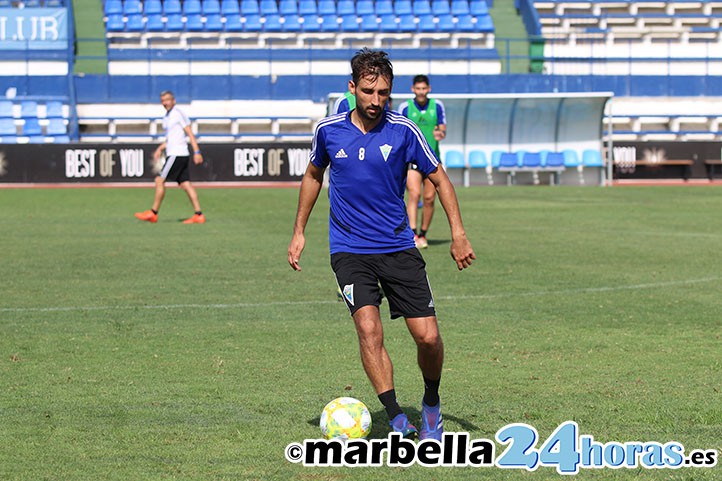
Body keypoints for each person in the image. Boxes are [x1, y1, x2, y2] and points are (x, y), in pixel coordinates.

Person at [288, 49, 475, 441]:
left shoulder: (404, 130)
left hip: (397, 247)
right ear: (352, 87)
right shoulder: (328, 130)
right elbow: (312, 176)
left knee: (427, 337)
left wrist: (458, 233)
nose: (376, 101)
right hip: (349, 250)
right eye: (369, 92)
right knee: (369, 329)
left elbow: (439, 180)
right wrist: (299, 231)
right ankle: (396, 418)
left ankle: (431, 404)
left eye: (384, 93)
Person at [134, 90, 205, 224]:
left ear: (173, 100)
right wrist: (161, 148)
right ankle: (198, 214)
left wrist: (197, 151)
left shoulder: (177, 114)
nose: (165, 103)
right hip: (177, 153)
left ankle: (153, 213)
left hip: (177, 154)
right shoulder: (167, 116)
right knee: (186, 184)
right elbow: (172, 137)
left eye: (167, 100)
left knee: (159, 180)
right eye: (163, 100)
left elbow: (189, 133)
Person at [398, 75, 446, 249]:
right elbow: (399, 130)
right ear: (413, 89)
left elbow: (442, 128)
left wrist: (440, 133)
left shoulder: (437, 106)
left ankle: (424, 233)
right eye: (418, 88)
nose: (421, 92)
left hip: (432, 158)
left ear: (429, 89)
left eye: (423, 88)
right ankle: (413, 233)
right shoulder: (405, 107)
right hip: (412, 158)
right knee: (414, 193)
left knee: (429, 198)